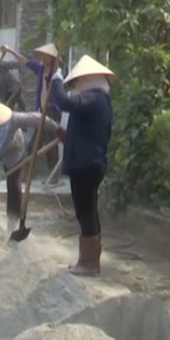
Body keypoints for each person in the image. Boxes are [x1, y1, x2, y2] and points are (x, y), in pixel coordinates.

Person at [50, 55, 114, 277]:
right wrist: (66, 136)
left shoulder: (93, 98)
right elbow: (89, 133)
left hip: (86, 165)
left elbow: (64, 102)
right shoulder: (100, 101)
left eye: (77, 82)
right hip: (91, 162)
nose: (76, 86)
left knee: (85, 212)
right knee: (88, 211)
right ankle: (89, 261)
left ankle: (88, 263)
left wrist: (56, 81)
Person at [0, 96, 59, 234]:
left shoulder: (11, 119)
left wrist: (59, 130)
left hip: (13, 149)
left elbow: (38, 118)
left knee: (13, 185)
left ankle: (13, 223)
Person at [3, 43, 62, 171]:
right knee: (36, 142)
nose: (43, 58)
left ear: (52, 58)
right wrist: (10, 50)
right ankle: (27, 170)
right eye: (42, 56)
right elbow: (25, 61)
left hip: (52, 110)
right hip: (42, 110)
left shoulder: (56, 72)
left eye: (46, 56)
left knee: (50, 142)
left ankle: (52, 173)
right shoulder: (40, 69)